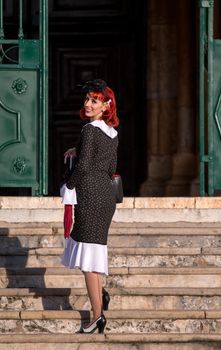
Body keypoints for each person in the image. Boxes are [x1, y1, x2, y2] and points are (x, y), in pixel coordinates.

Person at [61, 79, 119, 334]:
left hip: (90, 195)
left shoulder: (89, 130)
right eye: (86, 99)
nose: (87, 104)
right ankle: (100, 296)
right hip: (106, 197)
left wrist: (68, 186)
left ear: (105, 105)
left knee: (88, 261)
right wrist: (80, 148)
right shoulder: (111, 133)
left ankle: (97, 316)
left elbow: (83, 167)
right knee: (92, 254)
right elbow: (108, 166)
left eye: (93, 101)